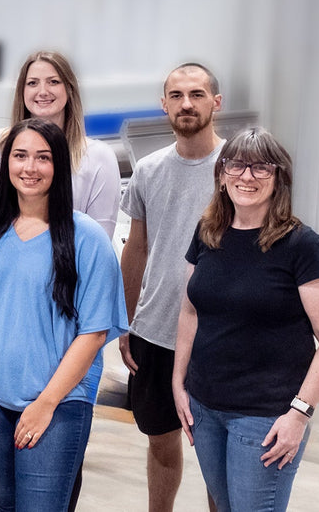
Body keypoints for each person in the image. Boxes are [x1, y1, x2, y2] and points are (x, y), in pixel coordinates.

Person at [0, 118, 128, 512]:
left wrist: (46, 403)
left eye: (43, 158)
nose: (30, 168)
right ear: (6, 163)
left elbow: (94, 333)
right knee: (5, 506)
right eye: (20, 156)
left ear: (59, 166)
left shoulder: (87, 238)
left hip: (58, 404)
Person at [172, 128, 319, 512]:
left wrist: (299, 414)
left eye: (260, 168)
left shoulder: (303, 246)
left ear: (279, 178)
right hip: (205, 406)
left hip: (265, 417)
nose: (246, 176)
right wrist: (177, 380)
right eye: (235, 165)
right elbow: (190, 309)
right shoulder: (209, 233)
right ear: (221, 175)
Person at [117, 63, 223, 512]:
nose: (186, 104)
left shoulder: (240, 169)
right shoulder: (148, 170)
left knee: (219, 453)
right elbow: (136, 247)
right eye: (176, 95)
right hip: (156, 329)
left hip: (219, 335)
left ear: (216, 103)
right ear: (164, 104)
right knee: (161, 439)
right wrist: (122, 320)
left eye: (197, 94)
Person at [0, 51, 120, 238]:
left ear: (70, 89)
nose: (42, 91)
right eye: (32, 83)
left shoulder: (99, 157)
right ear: (22, 91)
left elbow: (100, 241)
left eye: (53, 82)